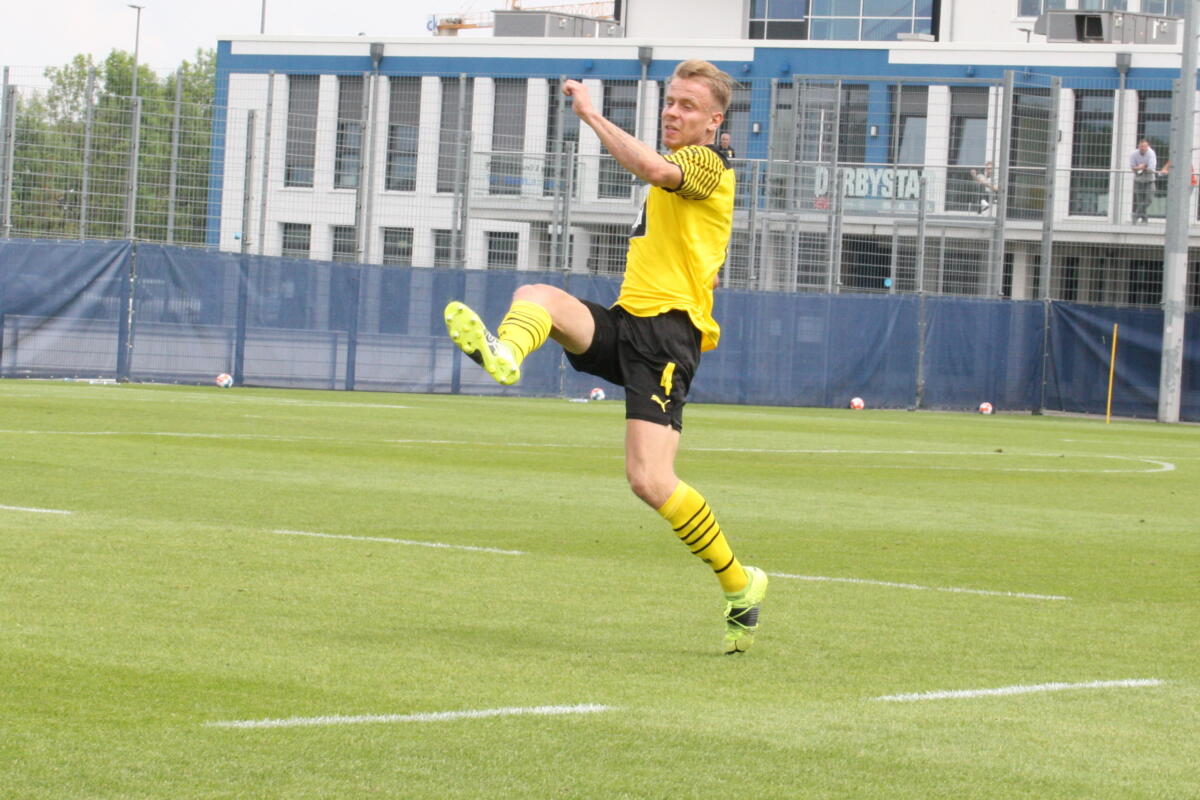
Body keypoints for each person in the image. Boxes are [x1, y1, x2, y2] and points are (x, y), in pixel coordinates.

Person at [442, 59, 768, 654]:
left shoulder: (706, 161)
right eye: (670, 101)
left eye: (688, 106)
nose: (673, 112)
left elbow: (653, 168)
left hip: (667, 338)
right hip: (629, 321)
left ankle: (740, 583)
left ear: (714, 121)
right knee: (537, 296)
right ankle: (505, 353)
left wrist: (591, 114)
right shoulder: (693, 170)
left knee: (649, 480)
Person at [1130, 139, 1157, 223]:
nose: (1143, 148)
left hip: (1149, 180)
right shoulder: (1134, 154)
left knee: (1149, 200)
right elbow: (1132, 167)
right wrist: (1142, 167)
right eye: (1141, 146)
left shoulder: (1151, 153)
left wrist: (1140, 167)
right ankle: (1144, 219)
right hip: (1138, 180)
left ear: (1148, 147)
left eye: (1145, 146)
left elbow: (1150, 169)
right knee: (1140, 201)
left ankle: (1135, 215)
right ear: (1138, 147)